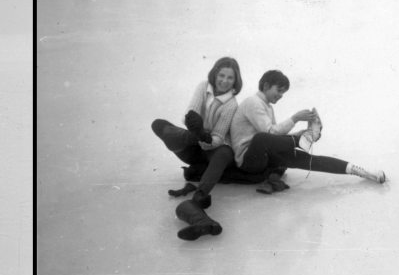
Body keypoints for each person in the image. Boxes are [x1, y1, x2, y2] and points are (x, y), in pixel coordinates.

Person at [230, 70, 386, 195]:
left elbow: (275, 138)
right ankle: (303, 139)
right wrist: (296, 118)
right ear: (265, 86)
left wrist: (297, 133)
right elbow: (270, 133)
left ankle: (365, 173)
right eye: (279, 90)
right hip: (247, 161)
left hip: (262, 159)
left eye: (283, 92)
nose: (281, 96)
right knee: (262, 138)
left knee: (307, 160)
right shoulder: (253, 102)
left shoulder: (267, 107)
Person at [151, 57, 242, 240]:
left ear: (235, 81)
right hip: (194, 143)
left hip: (214, 149)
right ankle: (186, 138)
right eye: (221, 75)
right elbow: (189, 115)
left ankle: (199, 201)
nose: (224, 81)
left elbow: (217, 137)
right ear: (215, 74)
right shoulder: (203, 87)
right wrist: (197, 130)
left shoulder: (231, 104)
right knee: (159, 125)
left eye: (230, 78)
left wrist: (203, 136)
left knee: (225, 151)